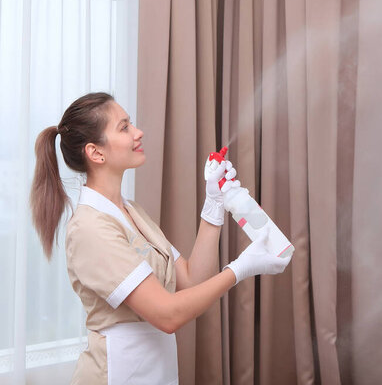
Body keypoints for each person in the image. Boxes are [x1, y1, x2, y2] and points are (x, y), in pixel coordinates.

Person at [29, 92, 291, 385]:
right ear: (96, 153)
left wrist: (214, 205)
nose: (138, 133)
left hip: (155, 371)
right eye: (124, 127)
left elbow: (192, 280)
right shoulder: (90, 228)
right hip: (115, 374)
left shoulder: (132, 212)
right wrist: (239, 269)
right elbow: (167, 315)